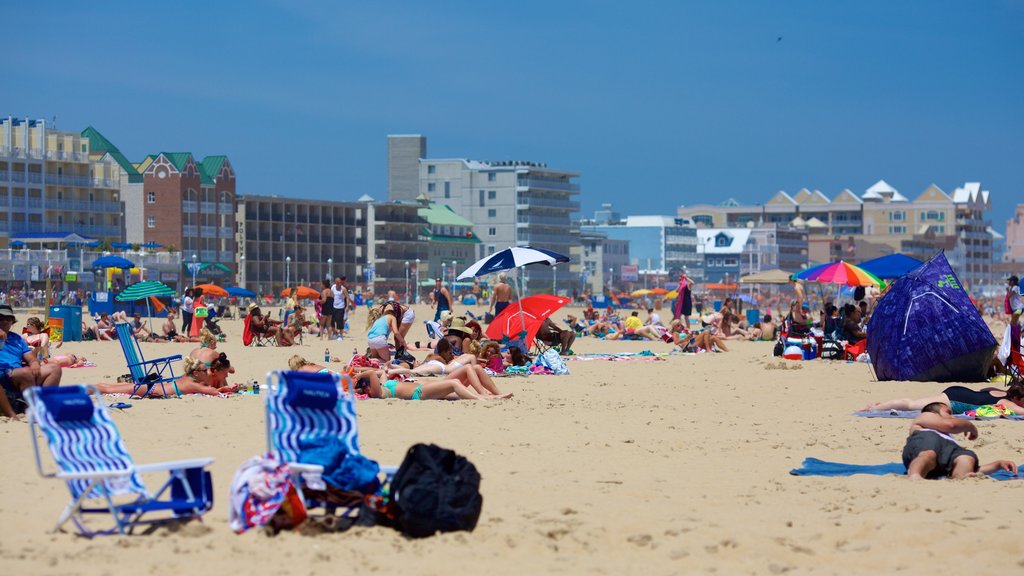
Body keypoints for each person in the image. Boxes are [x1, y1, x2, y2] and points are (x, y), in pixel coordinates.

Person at [902, 402, 1018, 480]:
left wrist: (997, 465)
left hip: (943, 460)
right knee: (928, 454)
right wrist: (970, 426)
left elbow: (977, 469)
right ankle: (915, 474)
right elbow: (950, 425)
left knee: (967, 457)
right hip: (926, 444)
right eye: (948, 412)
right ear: (934, 413)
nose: (953, 416)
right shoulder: (925, 416)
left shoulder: (948, 439)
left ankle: (962, 477)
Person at [0, 305, 62, 418]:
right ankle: (32, 410)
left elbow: (30, 357)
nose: (4, 321)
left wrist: (34, 363)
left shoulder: (17, 338)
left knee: (55, 368)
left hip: (17, 374)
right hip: (3, 374)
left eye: (8, 319)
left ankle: (43, 405)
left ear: (12, 322)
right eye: (1, 318)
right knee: (25, 373)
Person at [96, 354, 240, 397]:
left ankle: (90, 387)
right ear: (196, 373)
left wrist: (222, 389)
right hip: (153, 390)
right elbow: (211, 391)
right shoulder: (191, 384)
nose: (207, 372)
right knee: (109, 389)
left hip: (154, 387)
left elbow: (209, 389)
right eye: (204, 371)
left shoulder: (187, 378)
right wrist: (225, 390)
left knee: (114, 387)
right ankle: (87, 389)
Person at [865, 383, 1024, 415]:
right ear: (1017, 397)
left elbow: (984, 390)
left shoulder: (1000, 392)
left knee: (914, 403)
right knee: (912, 405)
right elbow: (1021, 412)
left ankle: (881, 405)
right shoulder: (1006, 402)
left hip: (959, 392)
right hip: (956, 400)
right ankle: (875, 408)